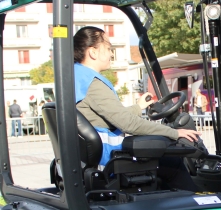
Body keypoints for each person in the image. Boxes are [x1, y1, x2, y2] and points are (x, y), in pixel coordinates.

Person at [73, 26, 199, 190]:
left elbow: (111, 117)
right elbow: (128, 124)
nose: (111, 54)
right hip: (110, 161)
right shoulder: (94, 84)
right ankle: (199, 206)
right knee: (172, 163)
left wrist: (138, 107)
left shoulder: (77, 78)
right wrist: (174, 133)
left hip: (92, 159)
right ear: (93, 52)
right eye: (109, 48)